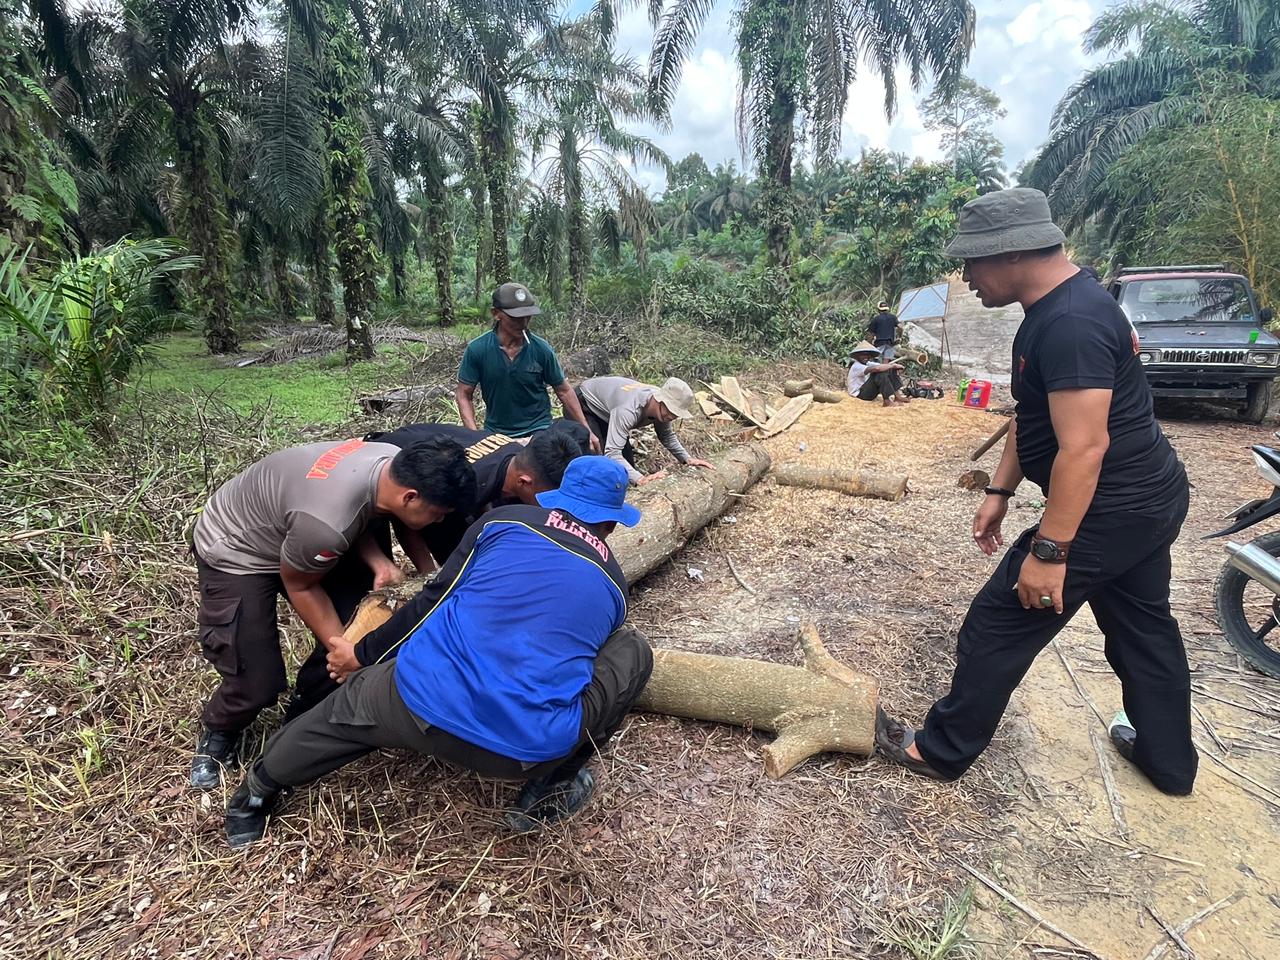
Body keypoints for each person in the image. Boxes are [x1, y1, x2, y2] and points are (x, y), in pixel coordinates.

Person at [875, 187, 1197, 796]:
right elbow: (1032, 417)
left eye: (972, 262)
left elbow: (1084, 449)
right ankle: (1169, 762)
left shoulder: (1071, 323)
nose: (967, 278)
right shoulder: (1056, 307)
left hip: (1111, 507)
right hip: (1148, 501)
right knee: (1143, 632)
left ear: (1012, 252)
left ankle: (937, 750)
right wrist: (1000, 488)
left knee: (997, 624)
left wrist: (1050, 552)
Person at [222, 457, 654, 848]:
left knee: (337, 718)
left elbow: (434, 597)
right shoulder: (615, 584)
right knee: (632, 649)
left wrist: (364, 655)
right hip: (522, 752)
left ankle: (254, 794)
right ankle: (546, 791)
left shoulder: (503, 522)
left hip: (413, 702)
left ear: (554, 497)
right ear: (612, 524)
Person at [188, 437, 475, 788]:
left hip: (305, 528)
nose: (440, 519)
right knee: (257, 676)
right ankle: (220, 730)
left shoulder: (394, 463)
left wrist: (395, 566)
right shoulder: (326, 524)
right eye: (438, 513)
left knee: (365, 631)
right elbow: (301, 585)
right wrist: (345, 650)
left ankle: (305, 710)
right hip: (239, 549)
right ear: (410, 497)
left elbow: (369, 514)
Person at [287, 423, 588, 714]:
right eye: (550, 498)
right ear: (524, 482)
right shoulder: (466, 486)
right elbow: (408, 520)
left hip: (388, 470)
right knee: (360, 614)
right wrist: (427, 574)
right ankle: (308, 700)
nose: (551, 508)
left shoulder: (514, 457)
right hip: (362, 484)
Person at [456, 282, 599, 451]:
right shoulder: (478, 350)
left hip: (539, 429)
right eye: (515, 318)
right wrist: (474, 437)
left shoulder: (541, 349)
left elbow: (564, 391)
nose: (523, 323)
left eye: (527, 316)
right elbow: (464, 394)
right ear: (496, 314)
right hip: (497, 433)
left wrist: (587, 431)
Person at [575, 375, 715, 485]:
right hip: (584, 402)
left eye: (676, 414)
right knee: (597, 458)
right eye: (671, 411)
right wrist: (641, 479)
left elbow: (666, 436)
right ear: (660, 400)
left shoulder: (661, 410)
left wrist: (687, 459)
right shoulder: (628, 410)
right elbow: (612, 453)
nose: (672, 417)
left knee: (626, 468)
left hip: (609, 410)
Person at [846, 341, 911, 407]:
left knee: (889, 369)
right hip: (860, 394)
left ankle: (897, 397)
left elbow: (882, 366)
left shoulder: (867, 363)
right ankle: (887, 401)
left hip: (867, 390)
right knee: (880, 374)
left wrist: (894, 366)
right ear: (857, 356)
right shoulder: (856, 366)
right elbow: (877, 368)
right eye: (862, 354)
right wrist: (893, 366)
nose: (866, 356)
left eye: (867, 354)